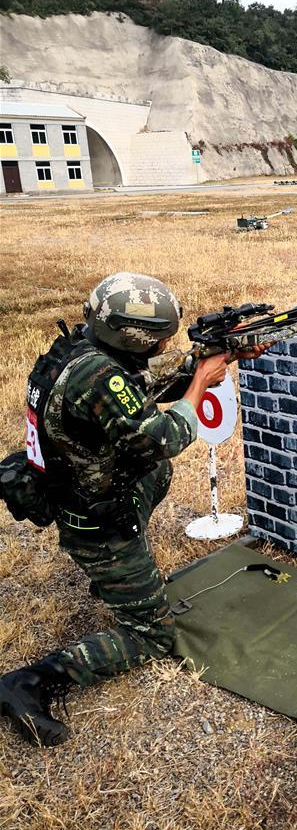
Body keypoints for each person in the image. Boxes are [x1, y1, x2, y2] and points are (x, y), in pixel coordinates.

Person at [0, 272, 268, 747]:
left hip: (80, 490)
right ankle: (30, 682)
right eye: (159, 338)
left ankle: (119, 578)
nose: (165, 344)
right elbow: (162, 438)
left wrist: (216, 357)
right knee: (153, 636)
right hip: (97, 519)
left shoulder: (83, 351)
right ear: (134, 338)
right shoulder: (99, 377)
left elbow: (141, 386)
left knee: (153, 474)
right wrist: (200, 384)